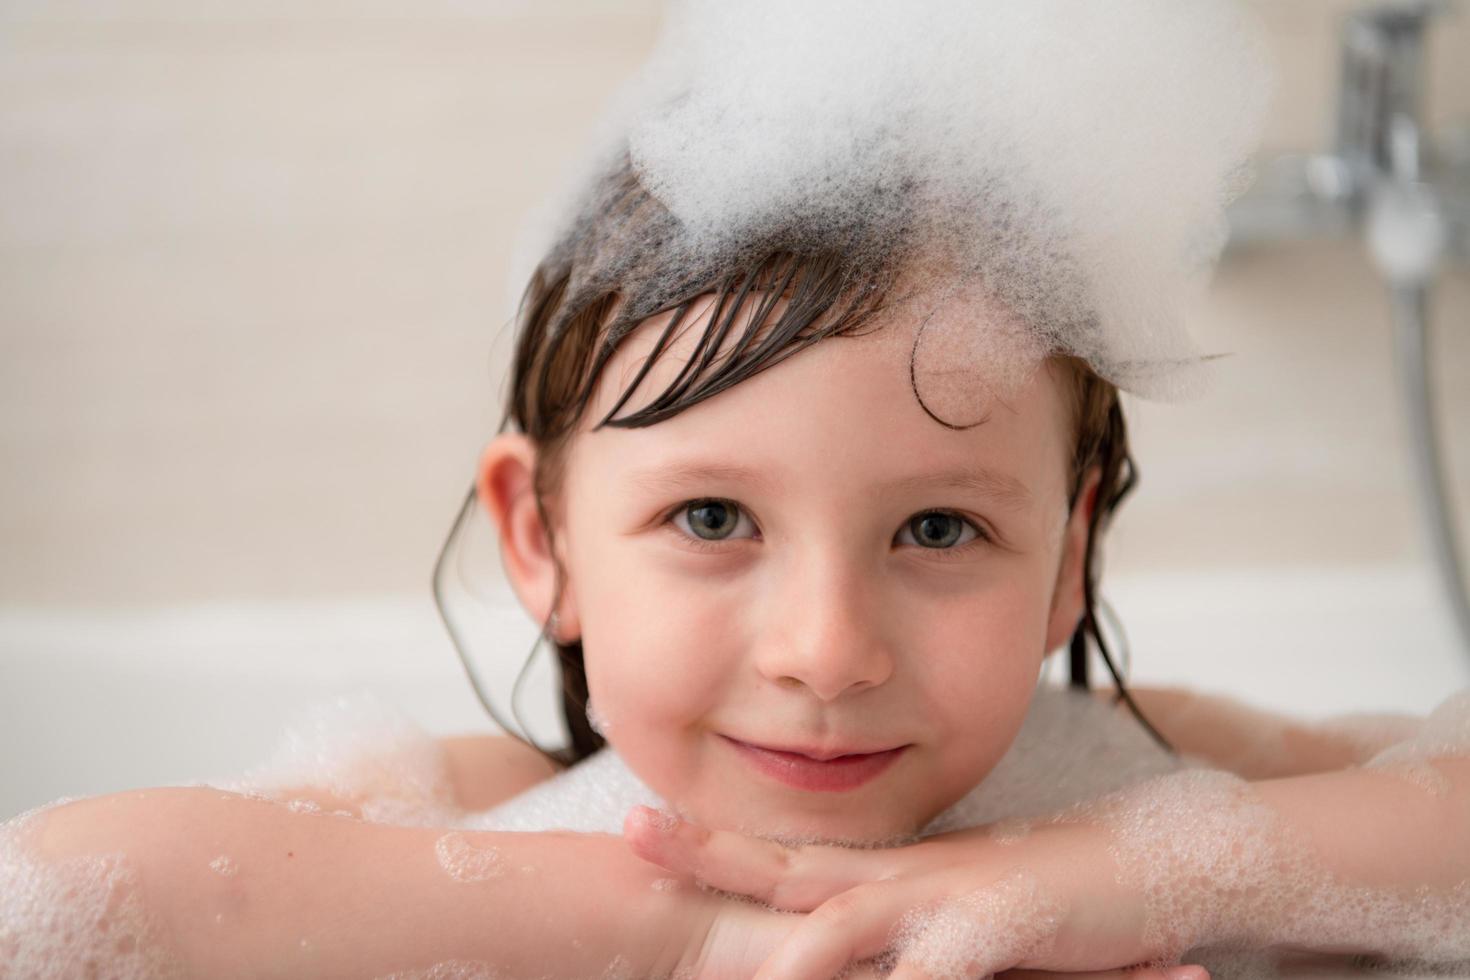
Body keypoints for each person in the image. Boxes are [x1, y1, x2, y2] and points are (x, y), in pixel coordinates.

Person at [8, 1, 1468, 976]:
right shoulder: (496, 811)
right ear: (541, 536)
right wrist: (679, 930)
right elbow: (62, 894)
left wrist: (1126, 875)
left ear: (1068, 556)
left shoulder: (1134, 772)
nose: (826, 652)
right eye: (710, 519)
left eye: (939, 526)